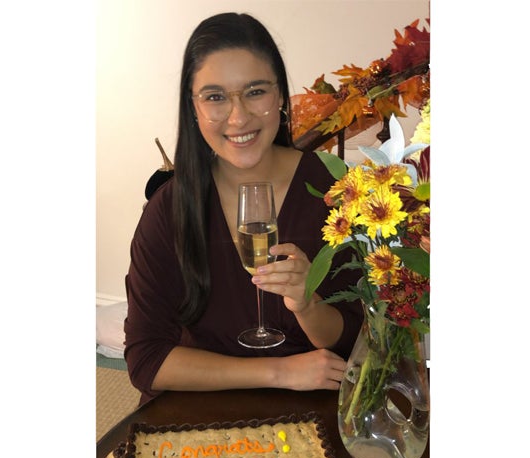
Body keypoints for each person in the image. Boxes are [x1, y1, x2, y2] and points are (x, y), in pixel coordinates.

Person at [123, 12, 364, 405]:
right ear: (194, 107)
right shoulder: (169, 210)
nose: (238, 118)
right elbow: (146, 360)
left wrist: (307, 305)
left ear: (281, 96)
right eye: (215, 97)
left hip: (316, 403)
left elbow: (355, 338)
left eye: (255, 92)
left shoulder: (334, 190)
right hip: (200, 411)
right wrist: (278, 372)